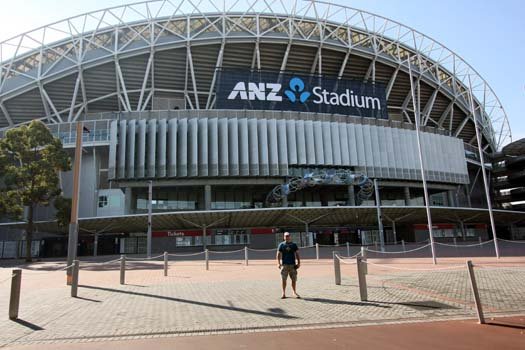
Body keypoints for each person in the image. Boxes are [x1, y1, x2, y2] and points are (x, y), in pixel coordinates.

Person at [276, 232, 301, 299]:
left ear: (290, 237)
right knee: (283, 279)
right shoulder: (281, 245)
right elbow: (278, 254)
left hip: (292, 265)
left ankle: (294, 292)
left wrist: (298, 263)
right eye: (285, 236)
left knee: (294, 279)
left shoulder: (294, 245)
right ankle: (283, 293)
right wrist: (278, 263)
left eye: (288, 236)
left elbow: (297, 254)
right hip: (284, 265)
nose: (287, 237)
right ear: (284, 237)